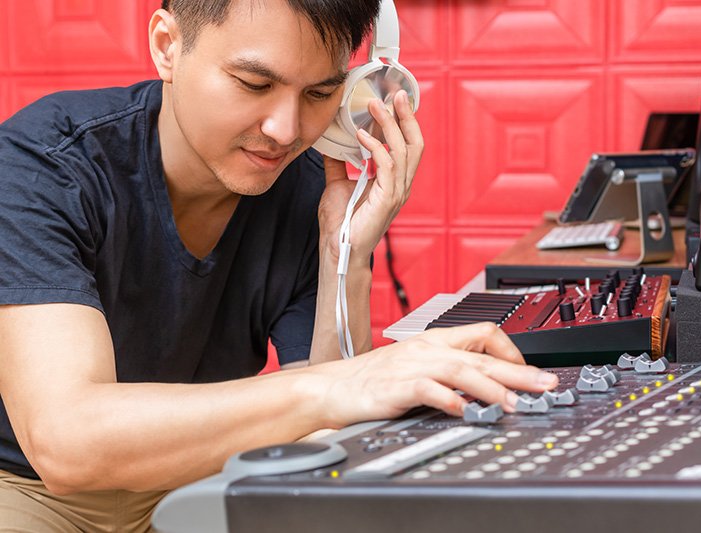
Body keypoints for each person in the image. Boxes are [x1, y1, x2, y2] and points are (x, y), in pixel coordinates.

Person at [0, 0, 558, 530]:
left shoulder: (309, 190)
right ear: (167, 46)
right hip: (25, 487)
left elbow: (331, 432)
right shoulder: (41, 167)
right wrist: (337, 386)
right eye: (255, 84)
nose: (286, 131)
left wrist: (347, 256)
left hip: (194, 472)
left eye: (319, 93)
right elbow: (66, 442)